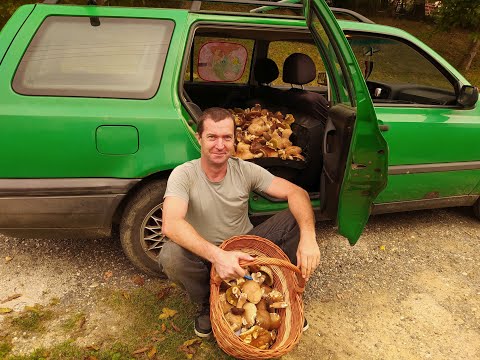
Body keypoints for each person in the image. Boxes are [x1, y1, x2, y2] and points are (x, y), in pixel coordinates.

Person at [159, 107, 320, 338]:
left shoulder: (245, 170)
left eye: (226, 137)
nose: (220, 145)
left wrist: (308, 237)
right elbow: (171, 224)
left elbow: (297, 193)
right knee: (170, 255)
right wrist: (217, 256)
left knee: (295, 218)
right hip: (206, 254)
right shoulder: (183, 174)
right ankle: (209, 301)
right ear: (199, 138)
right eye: (212, 137)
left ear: (235, 140)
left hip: (247, 249)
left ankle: (272, 293)